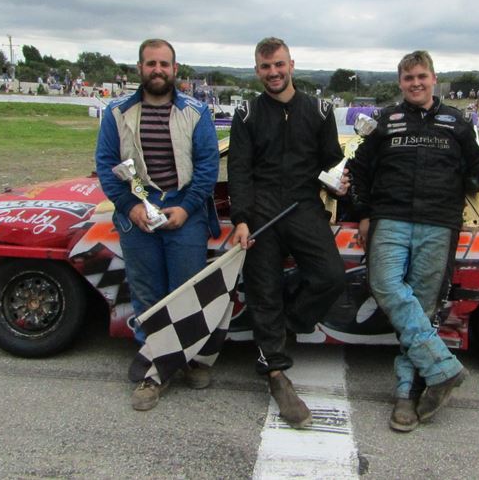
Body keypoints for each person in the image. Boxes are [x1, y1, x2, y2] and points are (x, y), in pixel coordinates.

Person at [348, 50, 479, 432]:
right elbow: (358, 170)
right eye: (408, 78)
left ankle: (406, 393)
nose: (415, 83)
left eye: (421, 76)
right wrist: (364, 213)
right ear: (400, 83)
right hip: (390, 218)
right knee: (383, 284)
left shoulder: (458, 122)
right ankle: (444, 368)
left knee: (421, 307)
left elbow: (474, 175)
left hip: (439, 223)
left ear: (434, 79)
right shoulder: (385, 120)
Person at [228, 37, 347, 429]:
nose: (273, 72)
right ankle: (276, 372)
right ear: (257, 70)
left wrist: (340, 183)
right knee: (263, 289)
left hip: (303, 206)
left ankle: (286, 324)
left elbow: (332, 162)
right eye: (265, 67)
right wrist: (241, 219)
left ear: (291, 65)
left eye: (279, 64)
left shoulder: (320, 110)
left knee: (331, 276)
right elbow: (239, 170)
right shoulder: (246, 113)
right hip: (260, 210)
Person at [95, 38, 220, 411]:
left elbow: (208, 166)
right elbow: (106, 164)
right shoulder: (116, 112)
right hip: (138, 211)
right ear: (139, 68)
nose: (158, 70)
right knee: (148, 295)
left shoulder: (196, 112)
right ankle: (155, 369)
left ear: (175, 69)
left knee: (186, 293)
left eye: (164, 64)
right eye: (151, 63)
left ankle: (190, 357)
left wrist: (186, 208)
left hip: (184, 209)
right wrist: (129, 206)